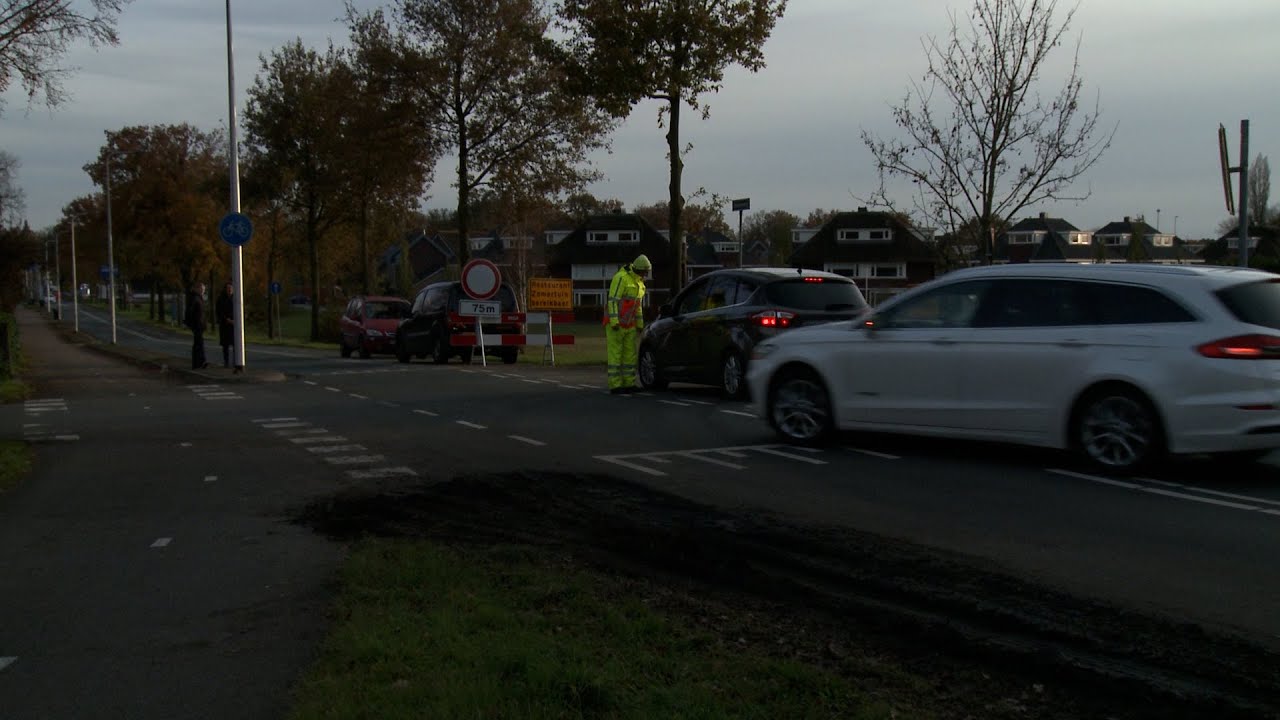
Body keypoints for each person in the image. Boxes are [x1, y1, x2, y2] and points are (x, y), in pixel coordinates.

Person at [602, 254, 650, 394]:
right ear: (640, 269)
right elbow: (612, 301)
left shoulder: (640, 283)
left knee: (630, 354)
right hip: (615, 325)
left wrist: (640, 324)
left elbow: (638, 306)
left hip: (630, 325)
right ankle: (615, 385)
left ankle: (629, 383)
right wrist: (614, 322)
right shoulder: (621, 278)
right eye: (645, 272)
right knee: (616, 354)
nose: (646, 275)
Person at [184, 282, 208, 370]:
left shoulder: (198, 298)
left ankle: (198, 363)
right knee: (199, 343)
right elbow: (190, 311)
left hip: (199, 324)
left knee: (198, 343)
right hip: (197, 324)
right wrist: (191, 323)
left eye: (204, 290)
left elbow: (202, 313)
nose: (203, 291)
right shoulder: (194, 298)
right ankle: (201, 361)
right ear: (197, 289)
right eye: (202, 289)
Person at [216, 281, 234, 368]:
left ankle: (236, 361)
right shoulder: (221, 299)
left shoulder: (236, 298)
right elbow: (219, 311)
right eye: (228, 288)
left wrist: (236, 320)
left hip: (234, 325)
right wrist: (226, 319)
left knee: (236, 344)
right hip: (225, 325)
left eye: (231, 288)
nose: (229, 290)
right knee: (225, 345)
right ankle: (226, 362)